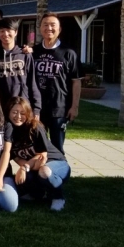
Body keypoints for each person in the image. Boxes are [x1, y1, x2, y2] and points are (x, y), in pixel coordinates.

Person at [7, 97, 71, 211]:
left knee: (44, 171)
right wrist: (26, 168)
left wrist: (25, 167)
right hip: (35, 164)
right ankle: (37, 194)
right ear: (8, 112)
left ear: (28, 113)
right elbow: (16, 157)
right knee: (24, 178)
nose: (18, 116)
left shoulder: (35, 127)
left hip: (56, 163)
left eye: (22, 113)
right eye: (14, 112)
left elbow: (42, 155)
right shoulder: (8, 130)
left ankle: (58, 197)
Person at [32, 13, 81, 154]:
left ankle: (59, 168)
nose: (49, 28)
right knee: (38, 147)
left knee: (57, 148)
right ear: (40, 28)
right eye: (45, 25)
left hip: (59, 108)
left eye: (53, 25)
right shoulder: (34, 52)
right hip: (37, 108)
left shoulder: (69, 53)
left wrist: (74, 107)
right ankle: (41, 169)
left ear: (59, 29)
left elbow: (76, 82)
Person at [0, 18, 42, 116]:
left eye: (9, 30)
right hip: (0, 107)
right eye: (2, 31)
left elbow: (32, 82)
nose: (5, 34)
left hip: (22, 106)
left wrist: (36, 109)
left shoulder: (25, 54)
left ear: (16, 32)